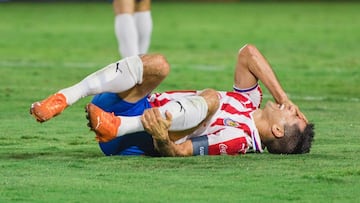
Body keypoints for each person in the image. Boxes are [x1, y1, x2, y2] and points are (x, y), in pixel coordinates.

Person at [30, 44, 314, 156]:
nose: (292, 109)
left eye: (293, 116)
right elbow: (248, 53)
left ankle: (122, 126)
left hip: (137, 138)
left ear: (277, 131)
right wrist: (284, 97)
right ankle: (64, 96)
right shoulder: (250, 101)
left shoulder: (239, 140)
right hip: (128, 105)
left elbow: (180, 152)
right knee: (158, 65)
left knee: (211, 99)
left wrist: (162, 137)